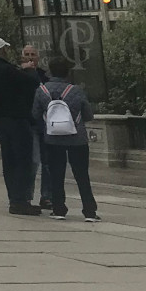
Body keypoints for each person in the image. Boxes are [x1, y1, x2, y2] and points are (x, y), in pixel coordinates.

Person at [32, 56, 99, 222]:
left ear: (50, 71)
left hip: (53, 138)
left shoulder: (42, 90)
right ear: (68, 72)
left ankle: (59, 208)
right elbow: (88, 115)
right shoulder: (76, 90)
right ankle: (89, 211)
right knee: (82, 175)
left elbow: (35, 114)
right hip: (77, 138)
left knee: (56, 174)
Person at [0, 37, 43, 215]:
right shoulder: (8, 70)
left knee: (8, 161)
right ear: (2, 50)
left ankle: (13, 198)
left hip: (1, 119)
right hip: (18, 119)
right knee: (22, 160)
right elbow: (32, 84)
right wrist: (29, 70)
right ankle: (20, 200)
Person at [19, 44, 53, 209]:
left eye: (33, 54)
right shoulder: (18, 75)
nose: (30, 57)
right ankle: (27, 196)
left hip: (44, 124)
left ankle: (47, 196)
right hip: (28, 123)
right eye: (27, 54)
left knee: (48, 162)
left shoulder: (43, 76)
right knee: (33, 161)